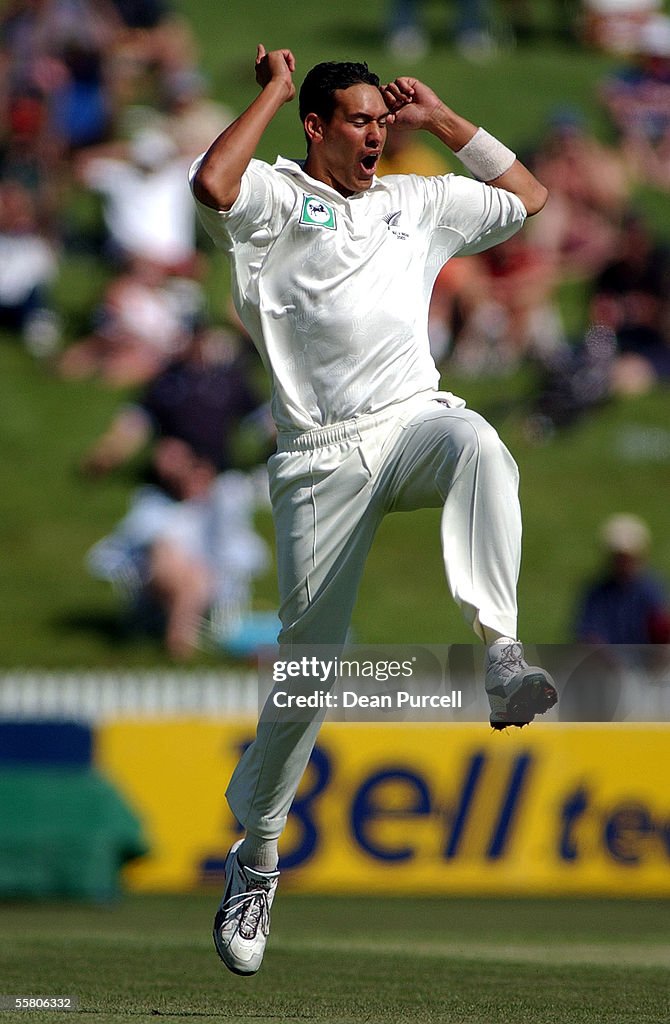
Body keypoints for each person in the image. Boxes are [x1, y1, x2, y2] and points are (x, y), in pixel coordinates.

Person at [190, 44, 557, 975]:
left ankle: (501, 651)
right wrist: (273, 87)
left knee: (478, 443)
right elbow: (212, 183)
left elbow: (528, 198)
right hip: (318, 459)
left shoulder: (414, 199)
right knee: (311, 672)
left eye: (381, 122)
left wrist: (440, 121)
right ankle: (259, 856)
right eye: (360, 122)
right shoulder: (277, 198)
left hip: (409, 422)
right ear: (316, 128)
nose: (376, 136)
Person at [575, 514, 670, 644]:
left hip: (645, 661)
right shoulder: (597, 592)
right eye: (618, 557)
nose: (623, 563)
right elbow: (588, 633)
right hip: (607, 661)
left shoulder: (651, 591)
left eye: (627, 558)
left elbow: (660, 634)